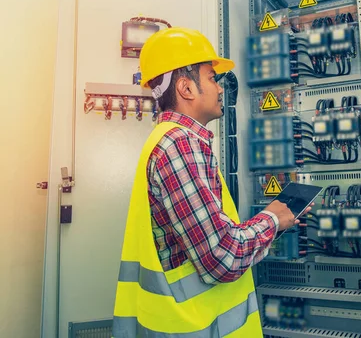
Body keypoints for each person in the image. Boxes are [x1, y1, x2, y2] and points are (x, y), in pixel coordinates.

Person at [111, 27, 309, 337]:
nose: (220, 88)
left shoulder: (171, 142)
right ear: (187, 88)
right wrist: (273, 219)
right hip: (194, 327)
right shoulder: (179, 146)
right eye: (211, 78)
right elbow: (223, 258)